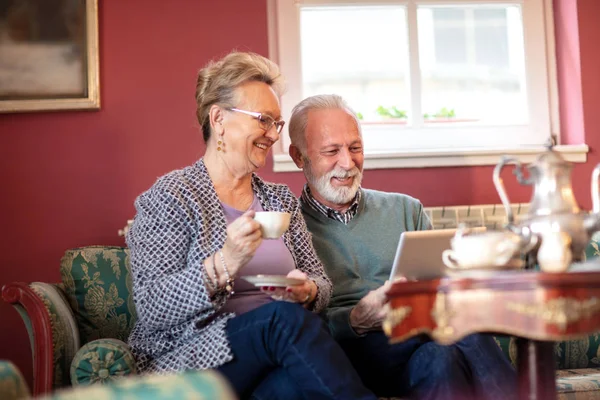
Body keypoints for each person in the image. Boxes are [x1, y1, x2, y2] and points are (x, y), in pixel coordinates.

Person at [126, 53, 377, 400]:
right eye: (263, 120)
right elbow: (152, 307)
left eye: (277, 122)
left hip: (274, 356)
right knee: (280, 320)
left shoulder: (278, 199)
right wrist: (225, 262)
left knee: (292, 387)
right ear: (219, 119)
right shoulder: (171, 198)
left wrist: (310, 293)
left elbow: (321, 281)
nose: (273, 134)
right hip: (194, 356)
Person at [288, 94, 518, 400]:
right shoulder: (288, 226)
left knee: (440, 358)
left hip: (421, 339)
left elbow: (446, 286)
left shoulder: (405, 209)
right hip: (349, 354)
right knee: (462, 334)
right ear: (298, 157)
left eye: (355, 148)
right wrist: (353, 320)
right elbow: (291, 326)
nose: (347, 162)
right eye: (331, 151)